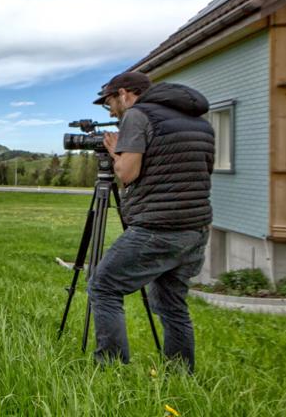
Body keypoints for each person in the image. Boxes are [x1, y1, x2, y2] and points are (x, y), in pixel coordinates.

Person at [88, 71, 215, 373]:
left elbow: (127, 173)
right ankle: (180, 374)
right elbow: (203, 170)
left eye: (109, 103)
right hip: (196, 227)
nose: (111, 111)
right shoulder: (199, 122)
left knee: (103, 286)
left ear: (124, 94)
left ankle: (111, 368)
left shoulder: (138, 115)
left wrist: (115, 152)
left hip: (158, 226)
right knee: (172, 304)